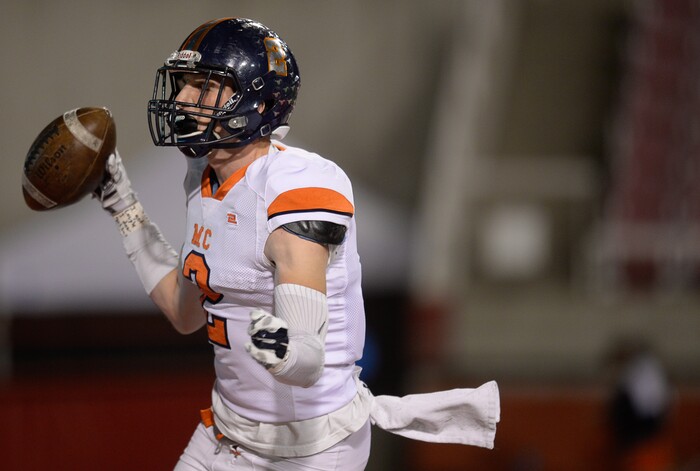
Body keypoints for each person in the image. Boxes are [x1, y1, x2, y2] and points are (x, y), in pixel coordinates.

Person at [94, 17, 500, 471]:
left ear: (257, 101)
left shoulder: (295, 190)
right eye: (183, 84)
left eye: (202, 87)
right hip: (228, 433)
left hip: (314, 447)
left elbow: (305, 360)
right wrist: (123, 206)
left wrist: (276, 342)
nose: (184, 99)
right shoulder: (205, 179)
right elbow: (184, 312)